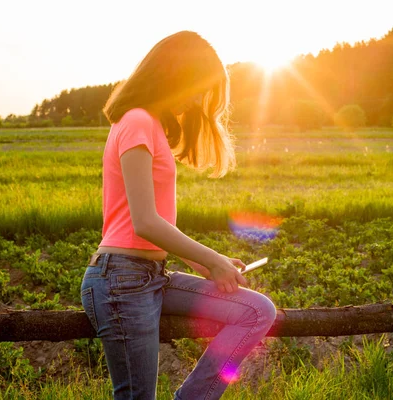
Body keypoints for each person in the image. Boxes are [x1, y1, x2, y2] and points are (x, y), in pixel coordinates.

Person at [80, 31, 277, 400]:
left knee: (256, 310)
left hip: (152, 276)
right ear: (176, 76)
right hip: (120, 279)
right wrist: (211, 258)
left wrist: (200, 263)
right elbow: (144, 222)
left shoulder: (150, 124)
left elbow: (156, 226)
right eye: (199, 88)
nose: (200, 99)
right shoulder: (136, 121)